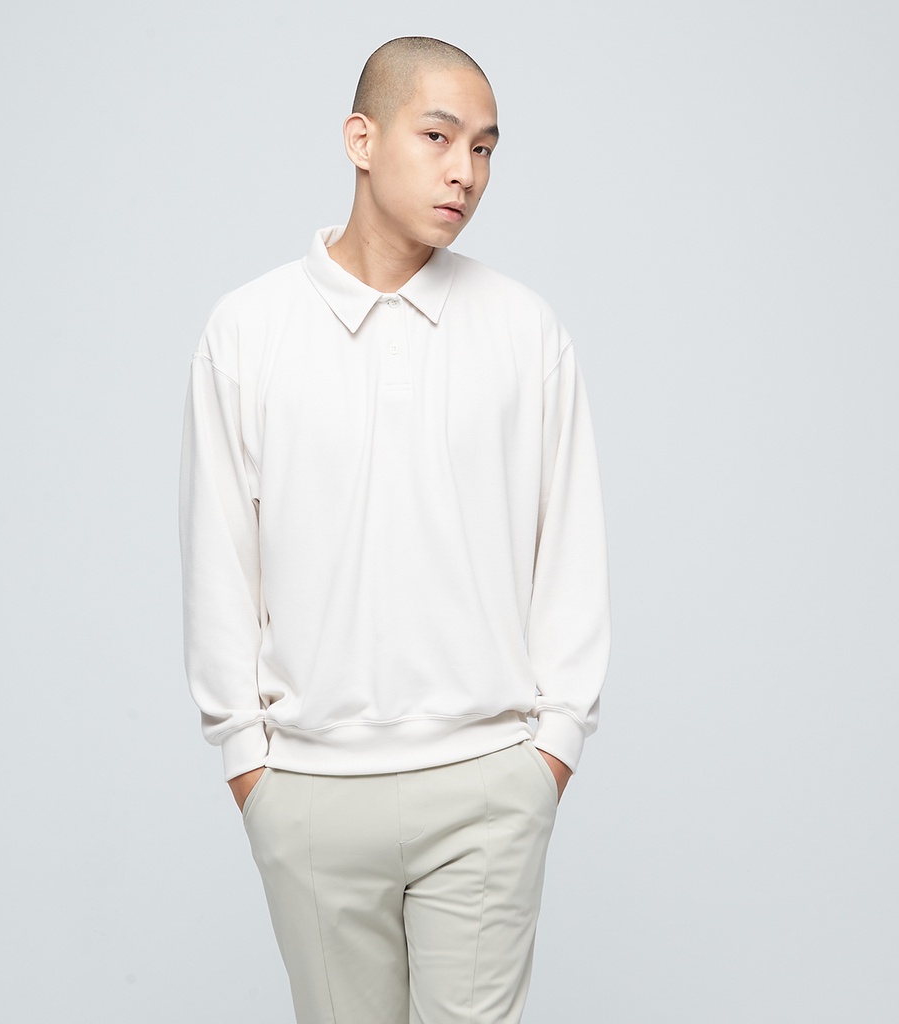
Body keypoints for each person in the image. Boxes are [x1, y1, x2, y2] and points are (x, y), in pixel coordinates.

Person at [179, 36, 611, 1024]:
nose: (467, 171)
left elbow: (570, 551)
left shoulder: (524, 330)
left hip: (488, 784)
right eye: (439, 137)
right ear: (361, 140)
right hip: (309, 791)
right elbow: (217, 558)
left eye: (486, 148)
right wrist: (249, 763)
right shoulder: (247, 330)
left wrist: (550, 749)